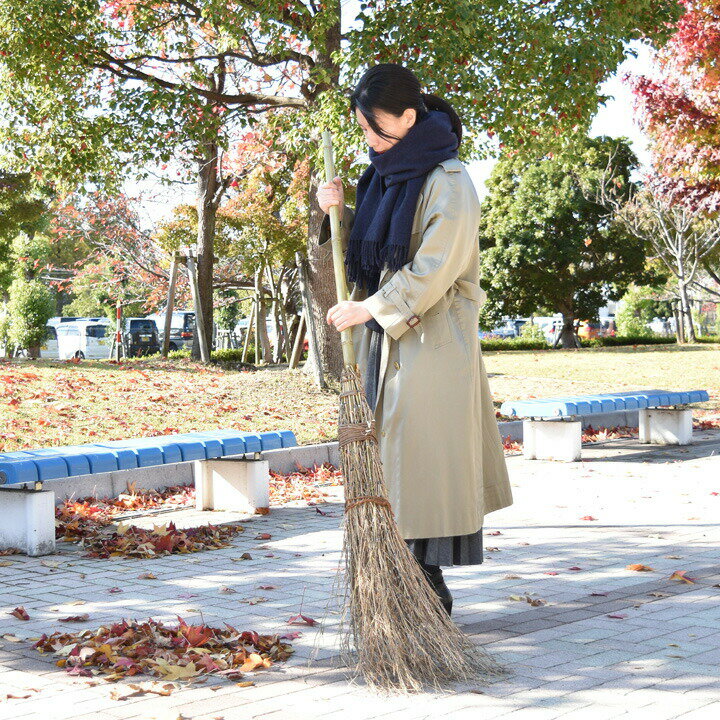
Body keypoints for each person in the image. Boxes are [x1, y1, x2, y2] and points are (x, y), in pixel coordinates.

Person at [316, 63, 513, 617]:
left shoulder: (450, 181)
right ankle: (409, 597)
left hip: (432, 347)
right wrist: (337, 211)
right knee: (396, 471)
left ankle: (426, 600)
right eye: (362, 129)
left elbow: (432, 267)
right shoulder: (385, 176)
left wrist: (369, 308)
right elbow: (377, 246)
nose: (368, 140)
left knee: (419, 476)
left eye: (375, 128)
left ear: (408, 116)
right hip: (390, 340)